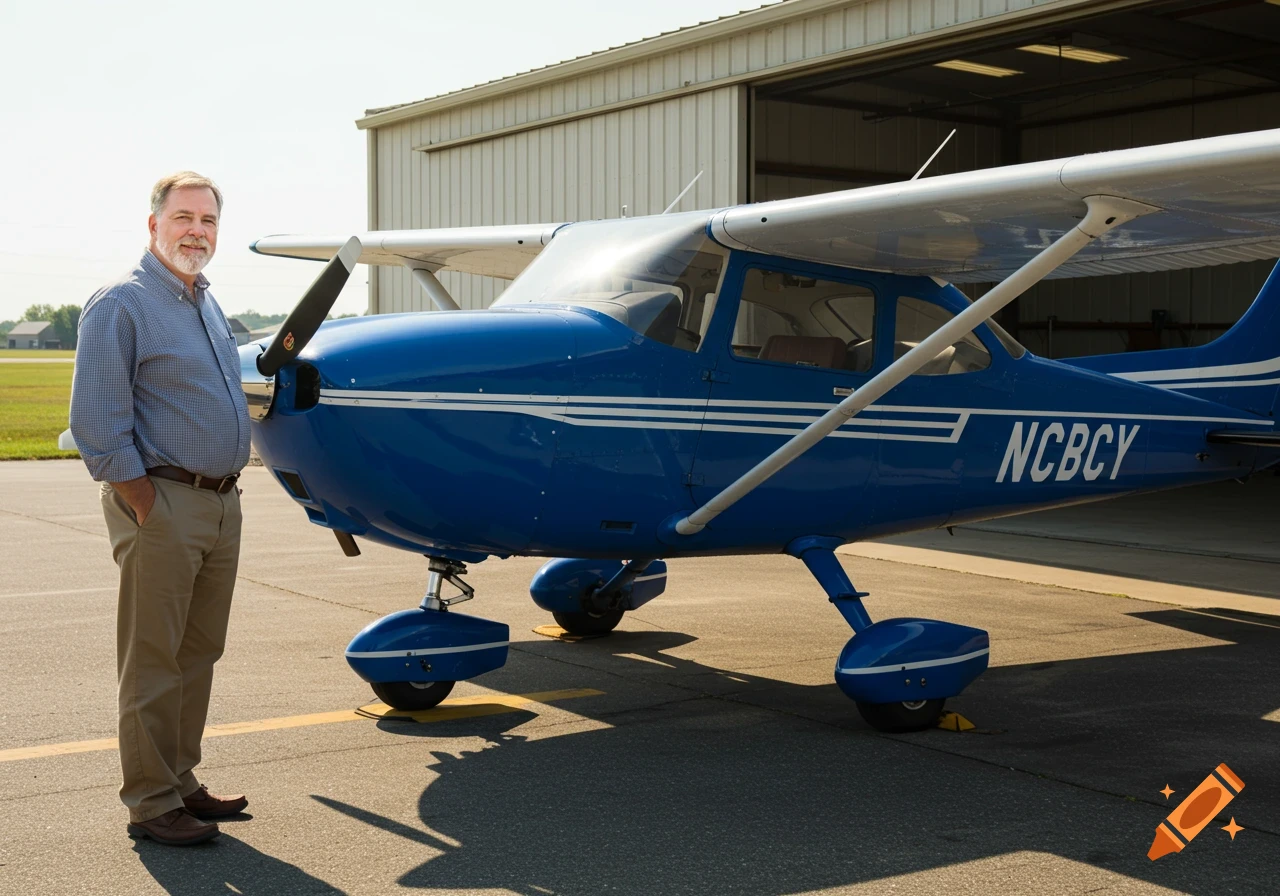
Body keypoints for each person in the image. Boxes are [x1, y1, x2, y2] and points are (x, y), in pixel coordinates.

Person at [70, 172, 252, 846]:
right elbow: (95, 422)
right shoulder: (120, 303)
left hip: (221, 503)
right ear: (154, 225)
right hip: (164, 502)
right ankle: (150, 804)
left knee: (199, 651)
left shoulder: (204, 302)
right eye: (183, 217)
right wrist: (146, 502)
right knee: (153, 659)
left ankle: (181, 779)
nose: (195, 231)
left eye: (207, 220)